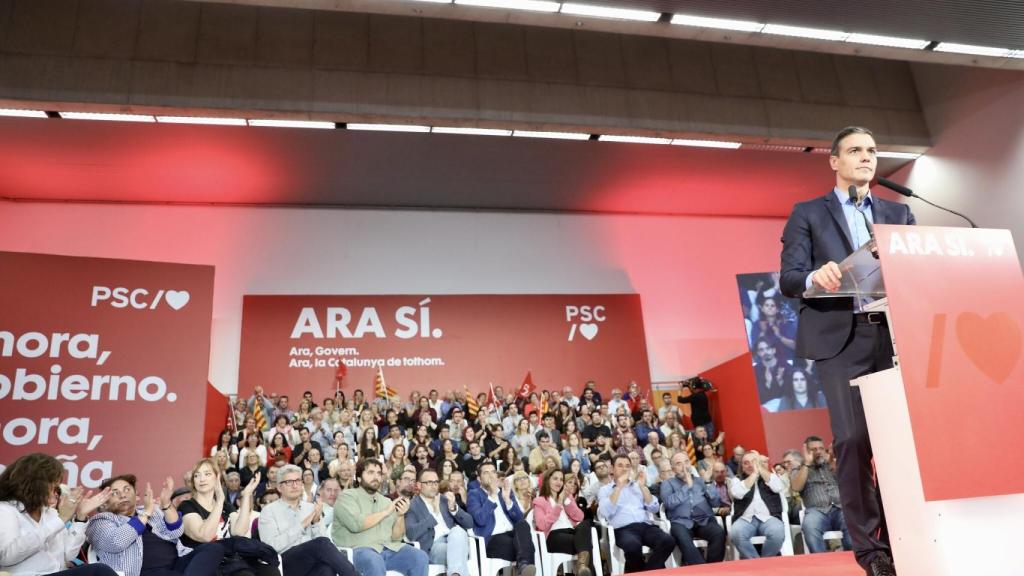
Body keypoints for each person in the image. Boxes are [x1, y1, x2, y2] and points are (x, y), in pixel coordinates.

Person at [780, 125, 914, 576]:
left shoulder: (899, 213)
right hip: (842, 339)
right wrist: (815, 276)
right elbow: (789, 278)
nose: (866, 157)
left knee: (901, 444)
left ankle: (908, 537)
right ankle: (872, 552)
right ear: (834, 161)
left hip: (895, 336)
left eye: (872, 150)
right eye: (855, 150)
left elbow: (915, 268)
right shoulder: (808, 213)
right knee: (854, 440)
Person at [0, 453, 115, 576]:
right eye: (53, 484)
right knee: (99, 571)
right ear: (35, 483)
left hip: (58, 572)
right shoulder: (6, 510)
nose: (55, 490)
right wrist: (61, 519)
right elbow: (7, 556)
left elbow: (69, 556)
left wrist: (80, 517)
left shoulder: (50, 513)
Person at [87, 474, 224, 576]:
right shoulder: (100, 520)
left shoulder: (152, 510)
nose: (123, 495)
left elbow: (176, 531)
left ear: (136, 494)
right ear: (105, 502)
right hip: (143, 571)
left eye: (127, 490)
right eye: (115, 493)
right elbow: (116, 542)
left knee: (213, 548)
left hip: (178, 562)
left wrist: (166, 505)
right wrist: (146, 513)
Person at [178, 459, 277, 575]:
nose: (202, 479)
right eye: (197, 475)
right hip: (203, 562)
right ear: (193, 481)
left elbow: (239, 531)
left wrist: (246, 495)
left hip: (228, 559)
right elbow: (205, 536)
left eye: (207, 474)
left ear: (217, 478)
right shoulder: (187, 506)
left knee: (271, 572)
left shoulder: (226, 506)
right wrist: (220, 500)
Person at [331, 460, 428, 576]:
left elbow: (396, 538)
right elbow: (356, 525)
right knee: (374, 560)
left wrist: (400, 516)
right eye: (371, 472)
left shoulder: (386, 501)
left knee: (420, 557)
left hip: (388, 550)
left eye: (378, 473)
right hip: (358, 550)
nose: (375, 477)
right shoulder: (347, 497)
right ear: (359, 478)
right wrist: (386, 512)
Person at [259, 465, 357, 576]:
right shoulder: (268, 511)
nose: (295, 485)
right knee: (321, 545)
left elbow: (324, 541)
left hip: (311, 561)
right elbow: (271, 547)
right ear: (279, 487)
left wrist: (315, 522)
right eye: (289, 482)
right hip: (285, 563)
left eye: (298, 481)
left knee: (326, 569)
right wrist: (302, 525)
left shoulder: (311, 508)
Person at [596, 455, 674, 573]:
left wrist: (643, 487)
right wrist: (618, 487)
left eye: (627, 466)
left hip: (646, 526)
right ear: (612, 469)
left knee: (668, 541)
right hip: (623, 529)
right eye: (620, 465)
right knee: (633, 547)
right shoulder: (605, 490)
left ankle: (646, 572)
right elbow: (605, 512)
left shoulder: (638, 486)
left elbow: (654, 508)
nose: (624, 469)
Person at [467, 461, 536, 576]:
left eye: (493, 472)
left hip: (513, 534)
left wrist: (507, 500)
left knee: (523, 525)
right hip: (493, 538)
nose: (491, 475)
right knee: (527, 547)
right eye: (486, 473)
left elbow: (519, 519)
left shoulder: (505, 491)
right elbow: (480, 519)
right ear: (479, 479)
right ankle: (524, 565)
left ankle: (523, 565)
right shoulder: (474, 494)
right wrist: (492, 496)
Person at [788, 437, 852, 553]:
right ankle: (821, 560)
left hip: (839, 508)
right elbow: (796, 487)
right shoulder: (799, 469)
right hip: (816, 511)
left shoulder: (830, 465)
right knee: (809, 526)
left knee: (852, 520)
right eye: (813, 449)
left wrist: (834, 459)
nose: (818, 452)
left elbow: (848, 481)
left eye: (821, 448)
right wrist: (807, 464)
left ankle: (852, 556)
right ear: (806, 452)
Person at [660, 453, 726, 565]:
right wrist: (687, 486)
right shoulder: (667, 484)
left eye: (686, 462)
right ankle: (701, 569)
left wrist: (708, 482)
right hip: (681, 521)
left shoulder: (701, 481)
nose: (684, 466)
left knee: (719, 533)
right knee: (682, 537)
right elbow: (668, 504)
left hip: (704, 520)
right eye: (679, 464)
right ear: (673, 469)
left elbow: (715, 503)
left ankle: (713, 568)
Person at [404, 469, 473, 576]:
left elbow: (469, 523)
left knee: (458, 531)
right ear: (419, 485)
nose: (434, 486)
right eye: (429, 482)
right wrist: (434, 515)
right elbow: (411, 534)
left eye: (436, 482)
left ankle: (455, 574)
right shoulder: (413, 505)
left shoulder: (444, 500)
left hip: (454, 540)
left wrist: (454, 509)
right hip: (433, 547)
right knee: (460, 551)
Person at [531, 470, 593, 576]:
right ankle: (582, 567)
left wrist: (566, 501)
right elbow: (542, 525)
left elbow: (580, 517)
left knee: (586, 523)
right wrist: (559, 504)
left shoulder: (567, 497)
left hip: (572, 532)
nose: (559, 482)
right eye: (555, 479)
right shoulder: (540, 501)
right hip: (554, 536)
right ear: (547, 481)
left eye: (561, 479)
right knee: (586, 543)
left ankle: (582, 566)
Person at [729, 452, 785, 560]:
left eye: (753, 462)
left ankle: (766, 561)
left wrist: (760, 469)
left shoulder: (769, 477)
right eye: (746, 463)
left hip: (769, 518)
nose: (750, 465)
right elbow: (737, 493)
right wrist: (754, 474)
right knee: (736, 533)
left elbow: (778, 487)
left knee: (777, 532)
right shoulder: (737, 480)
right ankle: (754, 561)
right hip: (745, 519)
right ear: (742, 467)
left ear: (759, 463)